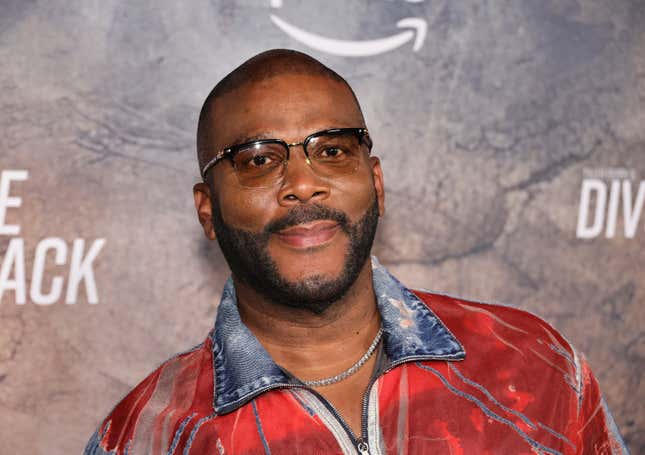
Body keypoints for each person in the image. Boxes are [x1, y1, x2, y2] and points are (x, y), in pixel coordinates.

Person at [84, 49, 628, 455]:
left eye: (333, 150)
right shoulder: (147, 435)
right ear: (208, 211)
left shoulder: (534, 367)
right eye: (258, 159)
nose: (303, 182)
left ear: (376, 183)